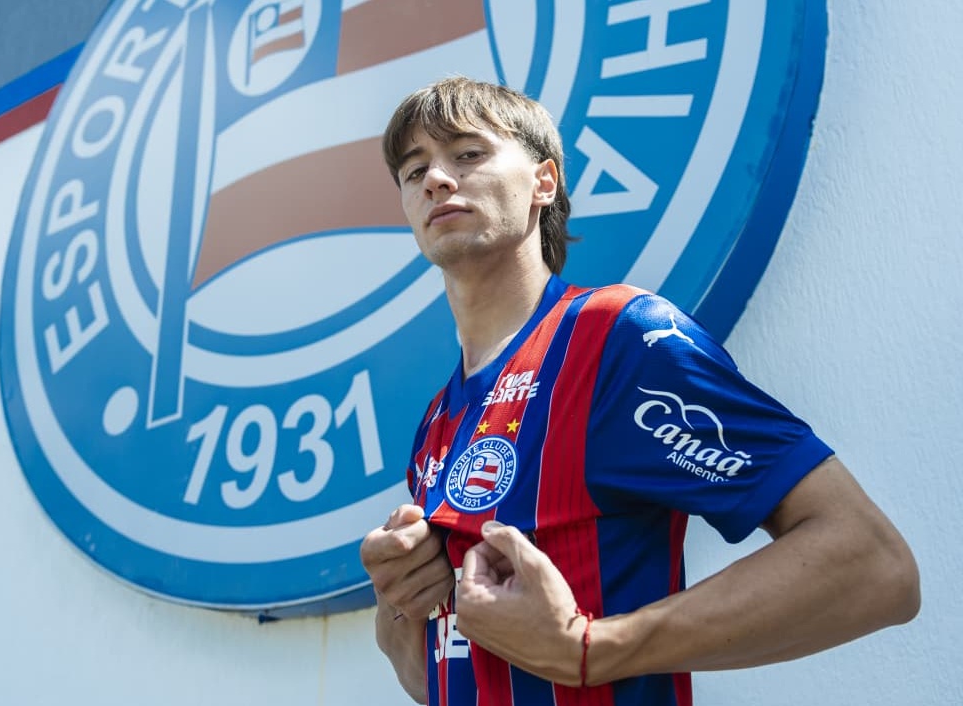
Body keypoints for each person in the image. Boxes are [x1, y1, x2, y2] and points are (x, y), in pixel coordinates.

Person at [359, 76, 919, 705]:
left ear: (544, 182)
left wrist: (593, 648)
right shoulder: (438, 420)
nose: (437, 179)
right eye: (415, 171)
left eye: (467, 154)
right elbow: (436, 681)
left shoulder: (617, 338)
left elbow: (873, 564)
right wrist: (398, 605)